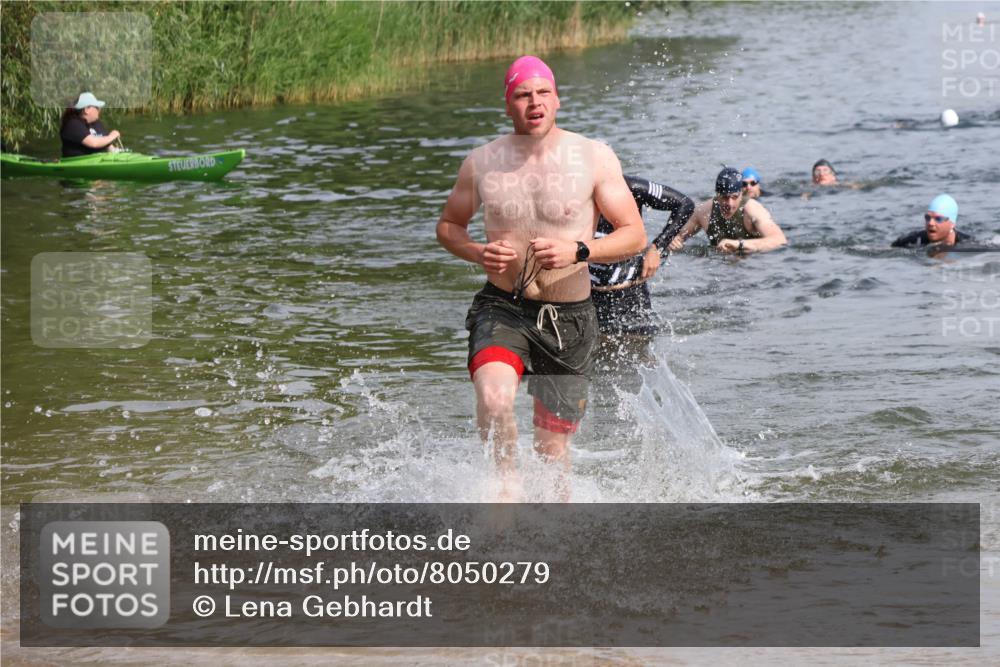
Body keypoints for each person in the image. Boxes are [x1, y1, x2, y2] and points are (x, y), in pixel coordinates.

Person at [436, 56, 647, 501]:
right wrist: (477, 251)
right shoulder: (482, 162)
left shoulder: (592, 157)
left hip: (569, 317)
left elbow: (634, 235)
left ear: (557, 100)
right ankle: (505, 490)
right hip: (503, 306)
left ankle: (556, 536)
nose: (534, 102)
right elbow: (449, 226)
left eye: (542, 93)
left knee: (551, 452)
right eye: (522, 95)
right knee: (494, 399)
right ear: (508, 105)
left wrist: (580, 250)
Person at [590, 175, 694, 337]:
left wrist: (657, 248)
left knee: (641, 353)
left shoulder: (632, 188)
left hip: (631, 296)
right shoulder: (575, 194)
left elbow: (684, 203)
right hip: (589, 299)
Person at [668, 167, 787, 255]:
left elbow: (780, 241)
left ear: (741, 193)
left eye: (735, 197)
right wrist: (673, 241)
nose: (730, 203)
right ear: (717, 194)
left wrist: (740, 245)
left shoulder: (753, 209)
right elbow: (677, 236)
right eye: (724, 197)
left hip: (752, 265)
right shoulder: (704, 211)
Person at [892, 194, 973, 247]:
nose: (930, 223)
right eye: (928, 218)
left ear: (952, 224)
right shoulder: (913, 240)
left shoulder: (967, 244)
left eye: (938, 219)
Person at [60, 92, 121, 158]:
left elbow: (107, 144)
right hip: (78, 163)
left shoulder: (96, 123)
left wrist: (114, 150)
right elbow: (94, 143)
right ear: (87, 109)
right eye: (97, 107)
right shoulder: (73, 124)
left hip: (98, 160)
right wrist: (112, 136)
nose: (99, 110)